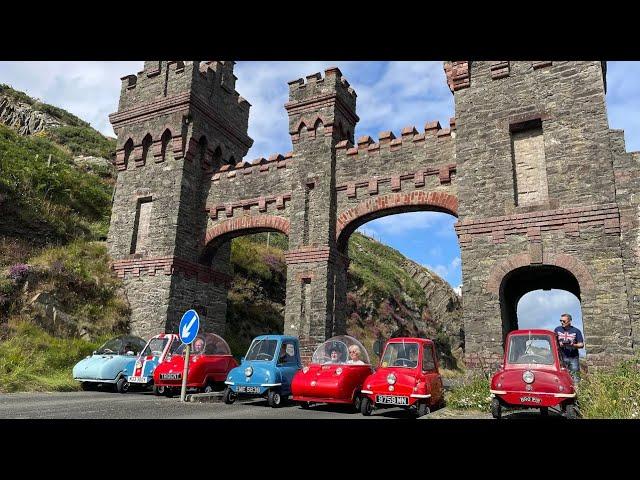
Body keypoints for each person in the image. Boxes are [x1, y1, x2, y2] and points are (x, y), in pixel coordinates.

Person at [554, 313, 584, 383]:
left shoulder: (576, 331)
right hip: (561, 358)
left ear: (569, 321)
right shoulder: (557, 329)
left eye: (564, 321)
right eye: (560, 321)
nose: (562, 322)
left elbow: (581, 345)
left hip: (573, 358)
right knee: (562, 377)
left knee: (576, 377)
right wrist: (559, 344)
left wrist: (573, 345)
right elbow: (553, 342)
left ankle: (577, 392)